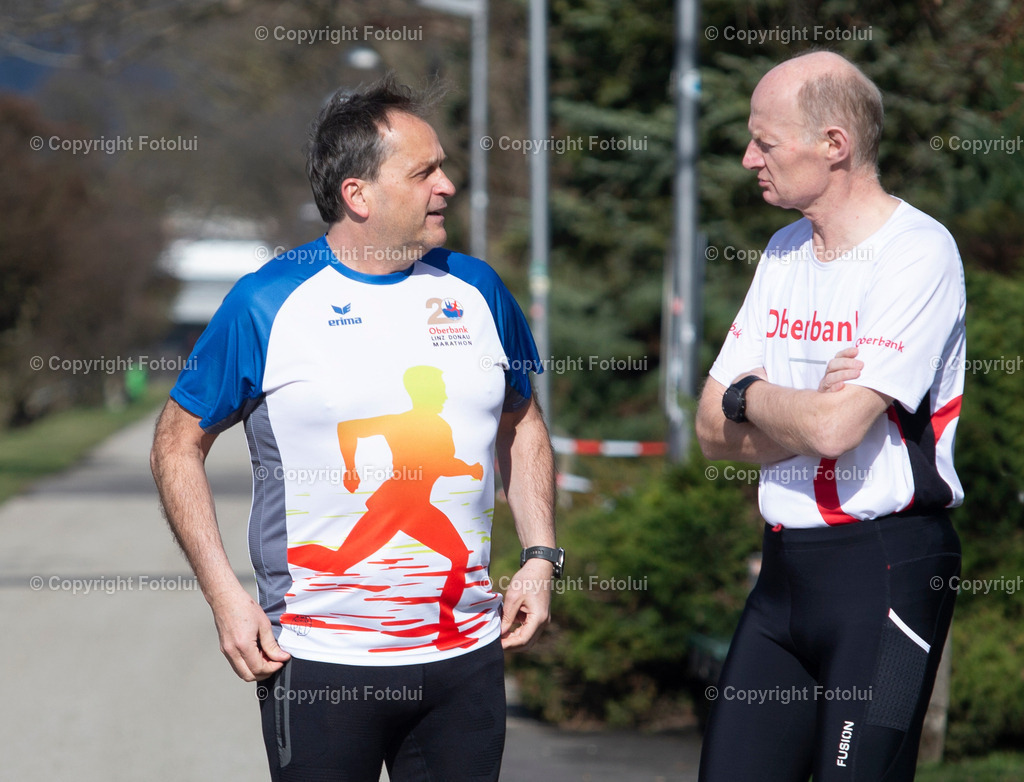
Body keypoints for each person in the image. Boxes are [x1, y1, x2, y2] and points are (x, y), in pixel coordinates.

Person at [150, 74, 560, 782]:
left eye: (443, 167)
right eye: (425, 171)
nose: (448, 187)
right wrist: (224, 594)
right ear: (358, 195)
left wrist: (540, 556)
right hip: (315, 663)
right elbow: (176, 442)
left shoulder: (479, 290)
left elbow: (521, 424)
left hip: (463, 660)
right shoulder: (267, 302)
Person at [695, 51, 965, 782]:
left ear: (834, 145)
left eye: (765, 141)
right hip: (785, 573)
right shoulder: (783, 252)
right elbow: (709, 432)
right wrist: (803, 400)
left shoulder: (918, 252)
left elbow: (833, 430)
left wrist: (752, 394)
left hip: (888, 574)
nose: (749, 157)